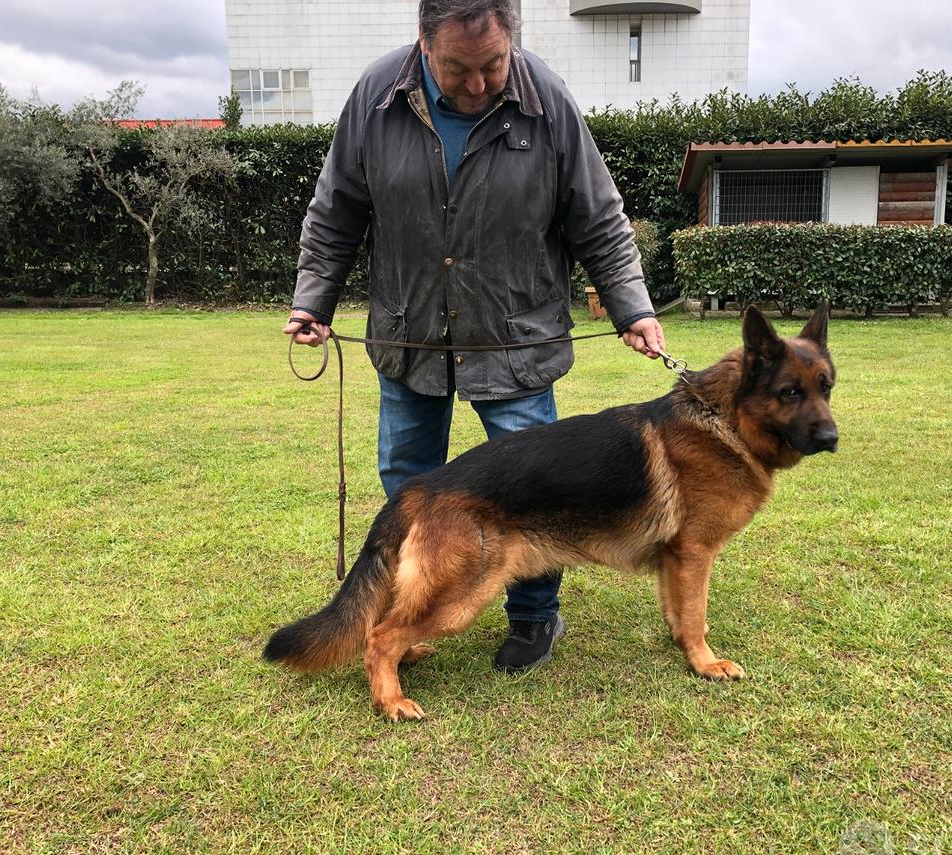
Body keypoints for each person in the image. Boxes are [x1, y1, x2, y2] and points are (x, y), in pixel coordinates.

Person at [285, 0, 666, 674]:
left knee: (539, 491)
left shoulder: (546, 99)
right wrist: (313, 298)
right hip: (412, 336)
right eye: (460, 69)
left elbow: (599, 217)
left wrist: (631, 306)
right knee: (408, 484)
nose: (481, 83)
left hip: (514, 338)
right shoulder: (376, 97)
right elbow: (336, 207)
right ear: (424, 45)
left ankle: (535, 621)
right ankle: (406, 616)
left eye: (494, 64)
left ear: (510, 41)